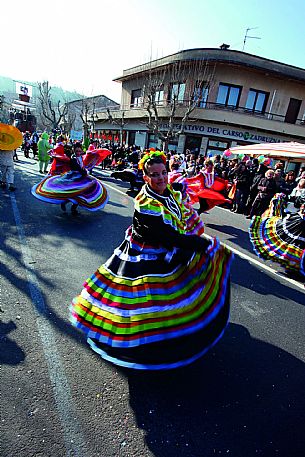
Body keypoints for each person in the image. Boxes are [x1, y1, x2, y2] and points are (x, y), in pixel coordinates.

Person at [70, 151, 233, 370]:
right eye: (154, 175)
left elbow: (178, 205)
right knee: (141, 301)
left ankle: (167, 331)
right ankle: (140, 343)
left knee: (169, 297)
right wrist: (201, 244)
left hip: (166, 250)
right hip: (145, 254)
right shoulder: (145, 202)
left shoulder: (169, 191)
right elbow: (166, 236)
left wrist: (182, 192)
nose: (161, 178)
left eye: (164, 173)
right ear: (145, 177)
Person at [31, 142, 109, 215]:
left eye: (79, 151)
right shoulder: (73, 159)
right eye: (76, 151)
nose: (78, 152)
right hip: (74, 177)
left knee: (79, 193)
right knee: (72, 192)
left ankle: (73, 208)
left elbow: (83, 166)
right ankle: (64, 203)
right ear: (74, 151)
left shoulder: (81, 157)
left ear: (82, 150)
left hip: (81, 176)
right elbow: (79, 169)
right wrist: (88, 176)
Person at [249, 194, 305, 277]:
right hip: (299, 222)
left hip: (301, 223)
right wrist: (288, 197)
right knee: (293, 242)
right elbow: (299, 201)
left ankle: (293, 267)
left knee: (298, 245)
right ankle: (290, 265)